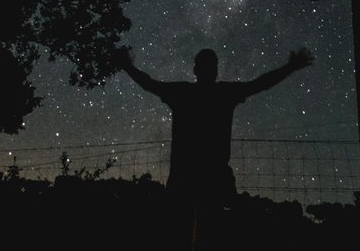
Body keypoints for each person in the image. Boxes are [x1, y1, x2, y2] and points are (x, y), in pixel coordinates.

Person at [118, 46, 313, 204]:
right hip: (214, 177)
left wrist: (127, 66)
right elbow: (260, 84)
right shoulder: (224, 94)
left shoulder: (181, 93)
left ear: (196, 69)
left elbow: (149, 83)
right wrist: (290, 68)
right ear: (215, 69)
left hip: (185, 177)